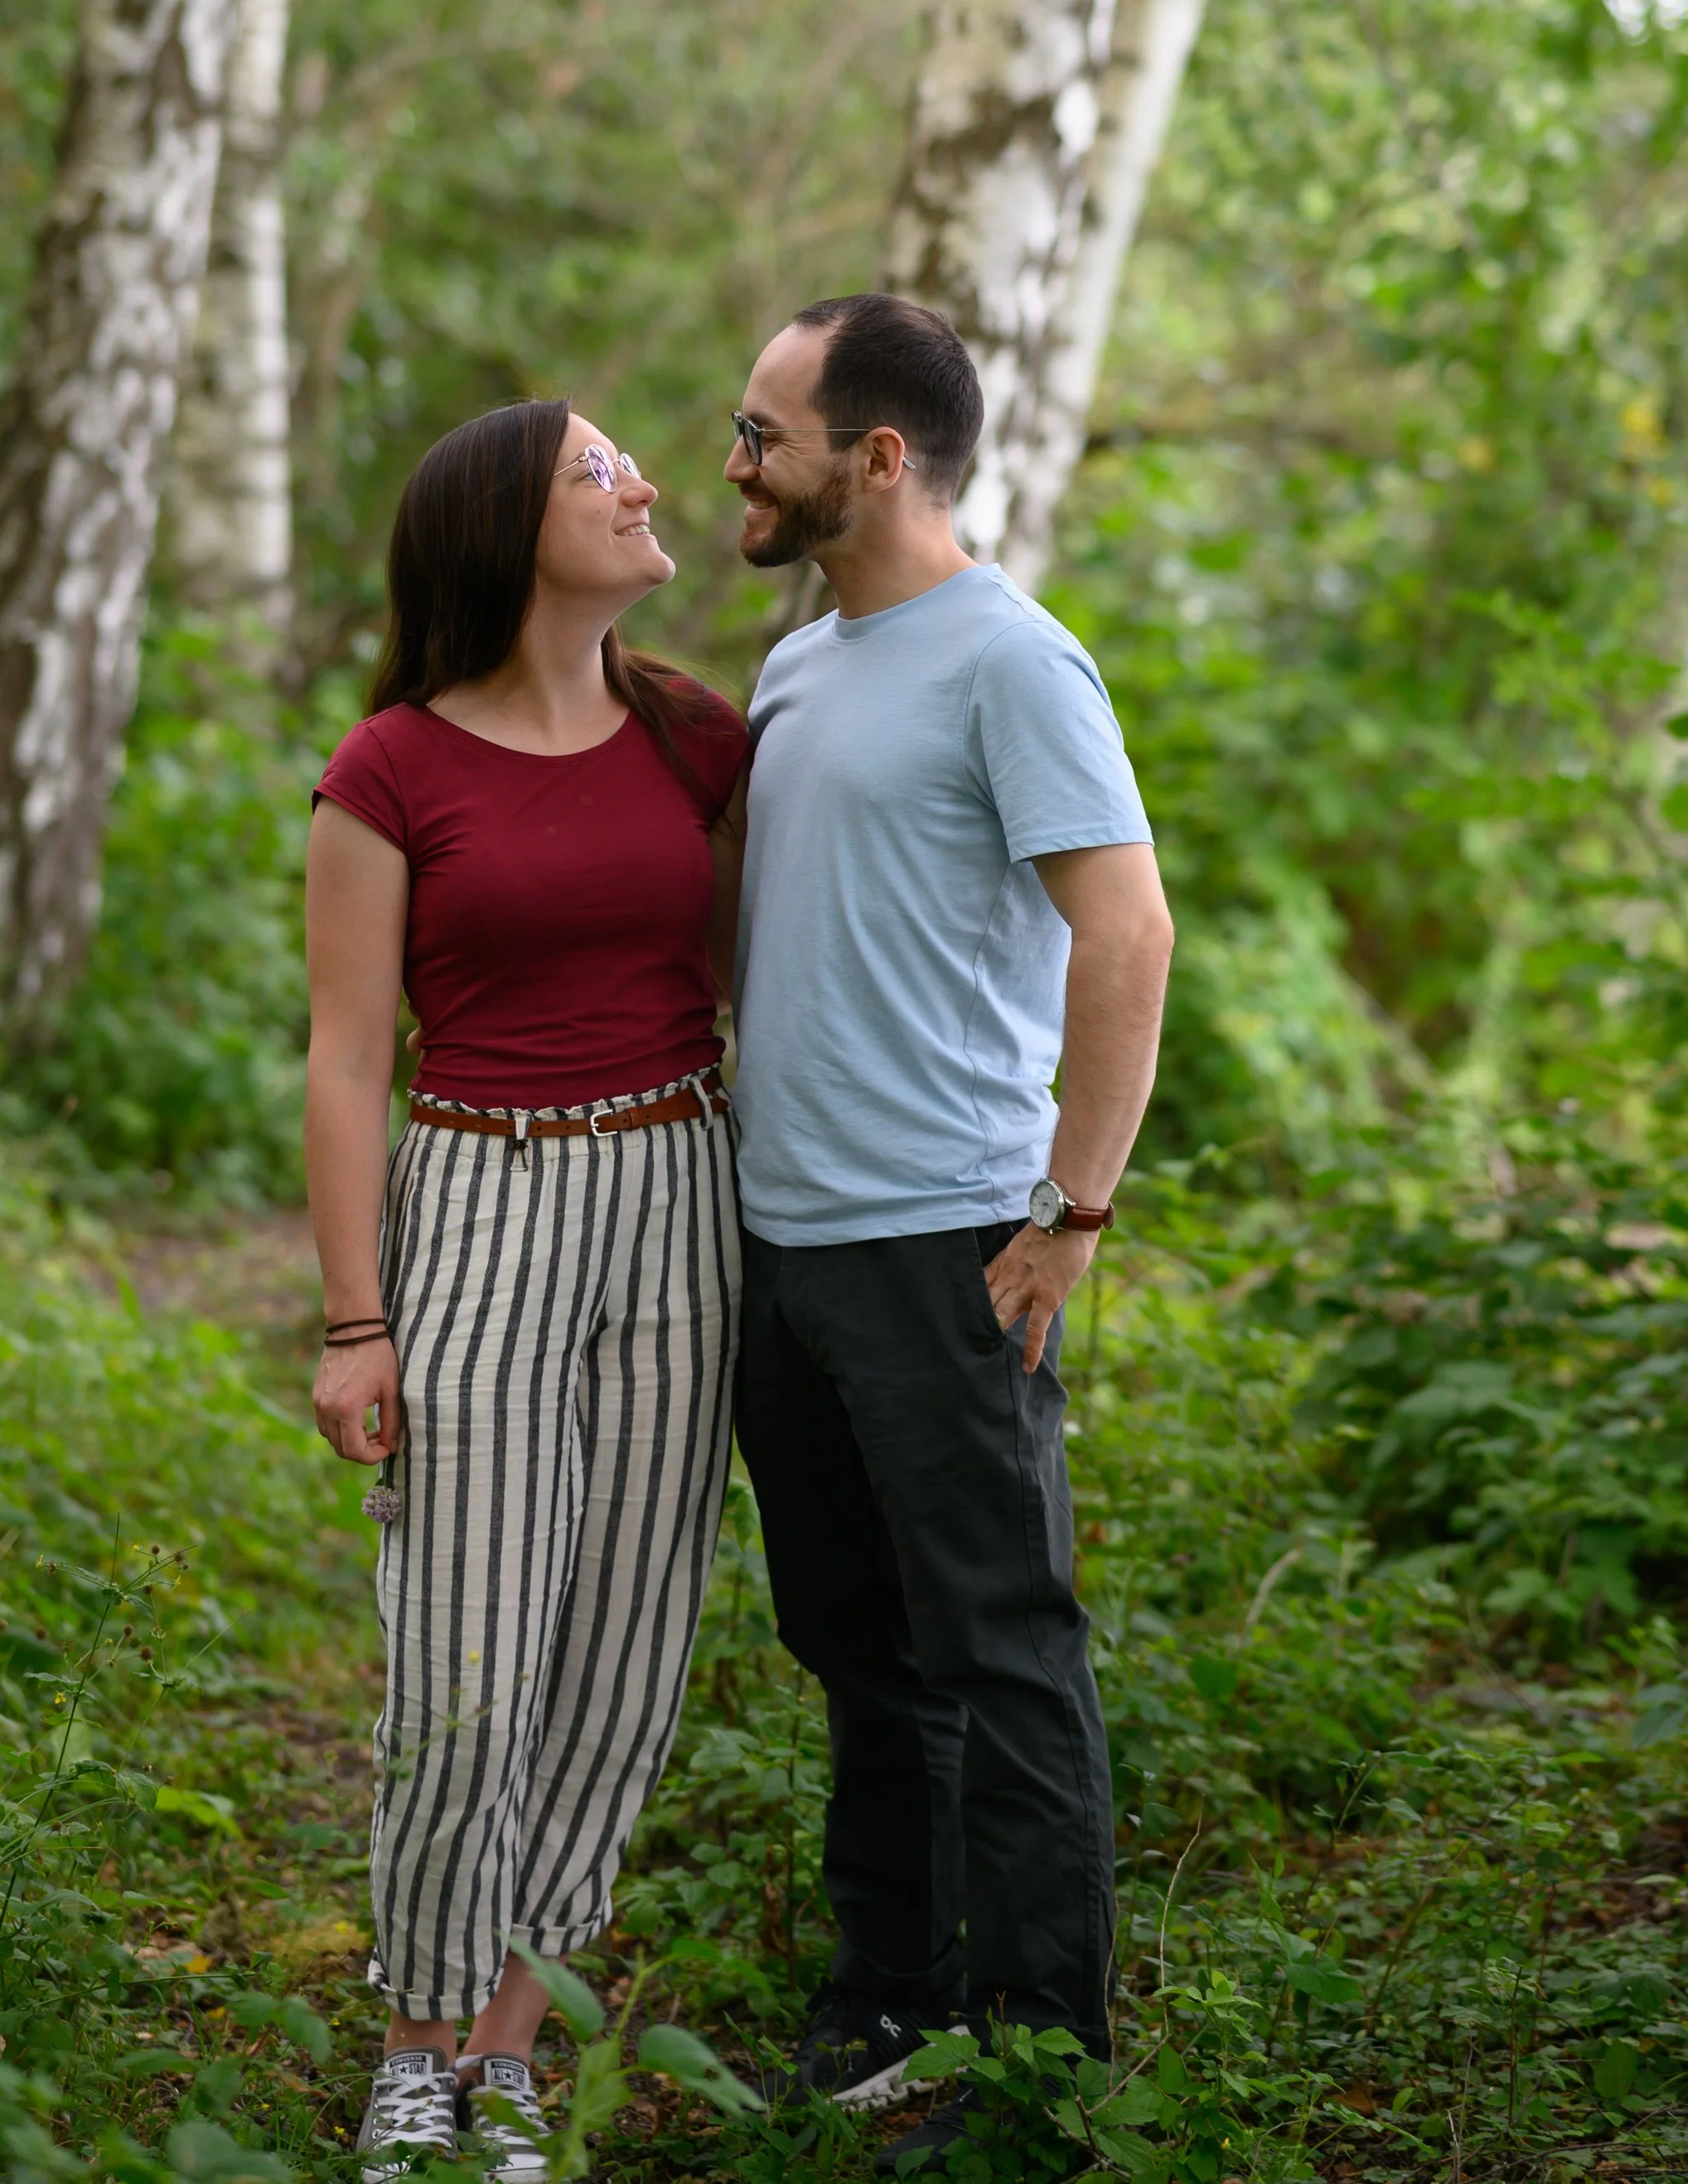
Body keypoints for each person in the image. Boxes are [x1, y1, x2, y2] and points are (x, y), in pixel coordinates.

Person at [726, 295, 1174, 2167]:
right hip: (782, 1241)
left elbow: (1126, 931)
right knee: (851, 1638)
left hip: (944, 1244)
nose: (733, 459)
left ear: (876, 455)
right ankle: (885, 2000)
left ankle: (1040, 2060)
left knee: (999, 1647)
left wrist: (1071, 1211)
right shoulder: (797, 663)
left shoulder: (1012, 662)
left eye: (762, 430)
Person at [305, 400, 749, 2184]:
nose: (645, 483)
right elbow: (345, 1058)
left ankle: (503, 2050)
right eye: (598, 469)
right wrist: (355, 1320)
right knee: (467, 1657)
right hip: (480, 1195)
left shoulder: (699, 735)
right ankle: (412, 2044)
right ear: (504, 528)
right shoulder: (390, 765)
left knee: (622, 1654)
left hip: (679, 1191)